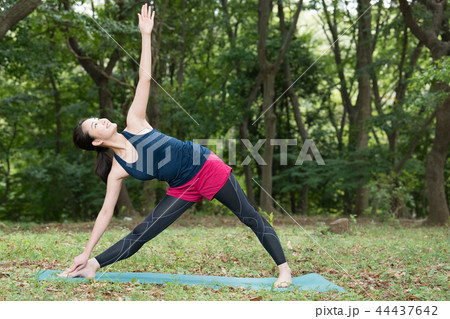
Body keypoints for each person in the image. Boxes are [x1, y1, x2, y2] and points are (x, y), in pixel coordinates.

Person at [60, 4, 292, 288]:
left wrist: (146, 35)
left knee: (248, 216)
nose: (104, 120)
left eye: (99, 117)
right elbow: (105, 213)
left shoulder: (135, 122)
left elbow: (144, 77)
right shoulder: (117, 170)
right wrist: (85, 252)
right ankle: (93, 265)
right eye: (96, 124)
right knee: (142, 232)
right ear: (96, 141)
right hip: (182, 187)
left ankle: (284, 269)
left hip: (205, 167)